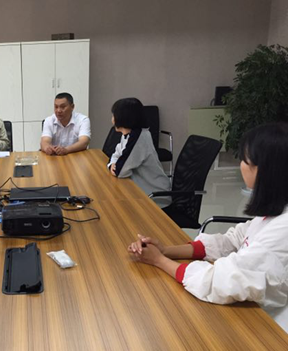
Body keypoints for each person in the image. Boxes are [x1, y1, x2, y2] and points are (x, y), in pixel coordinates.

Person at [128, 123, 288, 332]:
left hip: (271, 329)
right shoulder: (277, 209)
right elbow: (233, 240)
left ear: (265, 171)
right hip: (254, 313)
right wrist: (166, 250)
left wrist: (159, 261)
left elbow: (218, 282)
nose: (241, 165)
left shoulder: (282, 231)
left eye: (245, 160)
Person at [108, 98, 171, 207]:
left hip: (155, 197)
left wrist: (114, 166)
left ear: (123, 117)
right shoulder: (128, 134)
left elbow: (120, 171)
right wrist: (112, 164)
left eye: (114, 115)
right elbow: (116, 154)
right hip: (141, 191)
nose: (112, 119)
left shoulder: (138, 138)